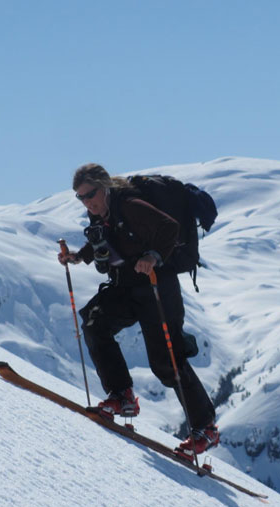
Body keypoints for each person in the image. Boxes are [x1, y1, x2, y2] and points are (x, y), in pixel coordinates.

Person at [58, 163, 219, 459]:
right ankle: (122, 396)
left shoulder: (130, 205)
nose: (86, 201)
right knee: (95, 322)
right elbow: (101, 241)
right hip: (126, 287)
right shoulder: (101, 213)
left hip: (158, 287)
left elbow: (169, 227)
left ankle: (205, 428)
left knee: (166, 361)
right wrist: (77, 257)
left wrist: (153, 255)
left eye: (90, 194)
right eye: (80, 197)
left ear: (104, 186)